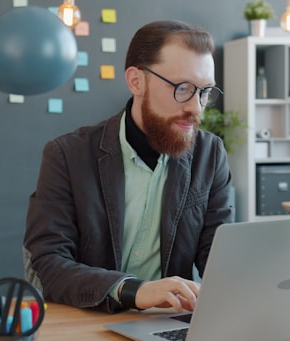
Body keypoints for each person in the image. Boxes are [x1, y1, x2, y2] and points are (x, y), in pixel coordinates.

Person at [23, 19, 234, 314]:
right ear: (136, 81)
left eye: (205, 92)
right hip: (88, 321)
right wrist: (133, 290)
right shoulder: (66, 155)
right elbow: (47, 264)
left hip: (167, 324)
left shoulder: (210, 155)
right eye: (183, 88)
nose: (196, 107)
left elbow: (220, 258)